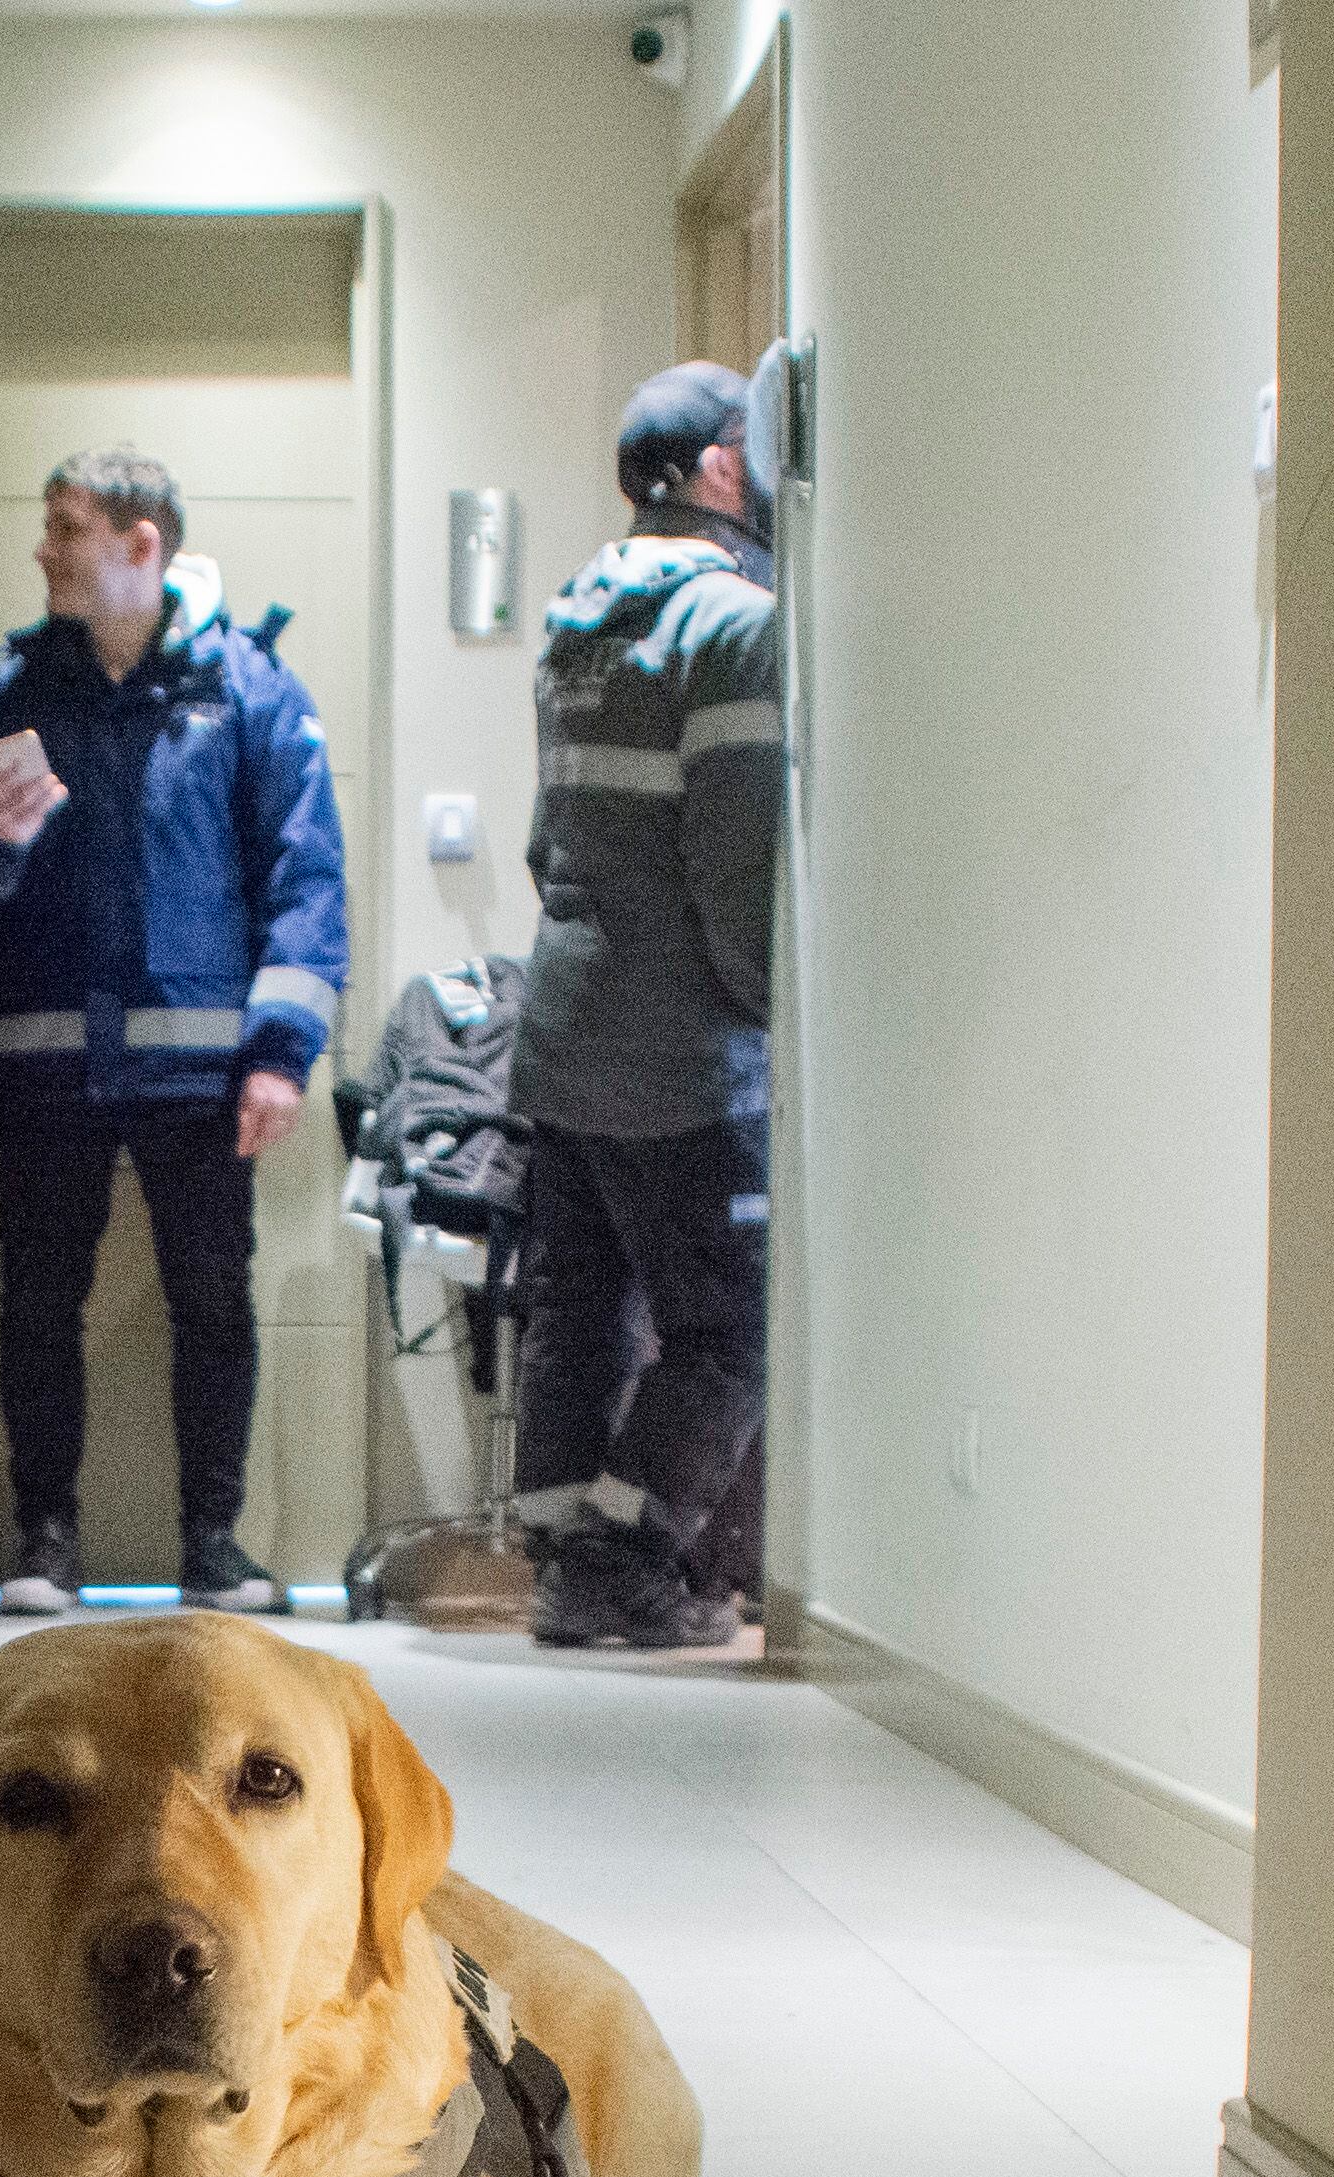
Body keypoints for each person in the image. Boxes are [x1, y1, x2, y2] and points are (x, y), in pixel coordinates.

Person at [0, 450, 349, 1615]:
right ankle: (44, 1544)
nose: (43, 549)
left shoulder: (249, 688)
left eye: (66, 528)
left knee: (212, 1301)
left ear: (141, 543)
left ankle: (213, 1545)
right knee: (35, 1303)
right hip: (43, 1057)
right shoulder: (11, 690)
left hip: (201, 1070)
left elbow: (306, 879)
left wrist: (280, 1054)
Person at [508, 362, 784, 1652]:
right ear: (723, 468)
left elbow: (543, 842)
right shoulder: (732, 624)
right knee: (732, 1327)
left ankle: (562, 1551)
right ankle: (620, 1562)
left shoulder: (577, 619)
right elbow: (740, 869)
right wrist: (775, 1017)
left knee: (579, 1310)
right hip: (677, 1052)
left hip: (563, 1033)